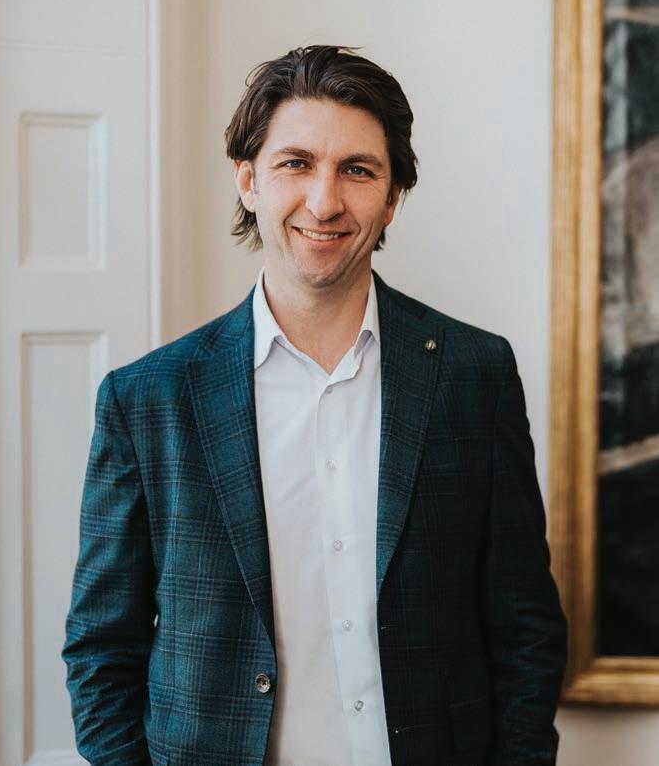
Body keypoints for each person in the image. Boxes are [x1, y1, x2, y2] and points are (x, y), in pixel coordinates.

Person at [63, 45, 568, 766]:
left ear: (392, 197)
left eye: (357, 170)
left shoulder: (474, 375)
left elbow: (525, 630)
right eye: (295, 163)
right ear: (248, 181)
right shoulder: (148, 399)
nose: (325, 202)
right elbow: (101, 648)